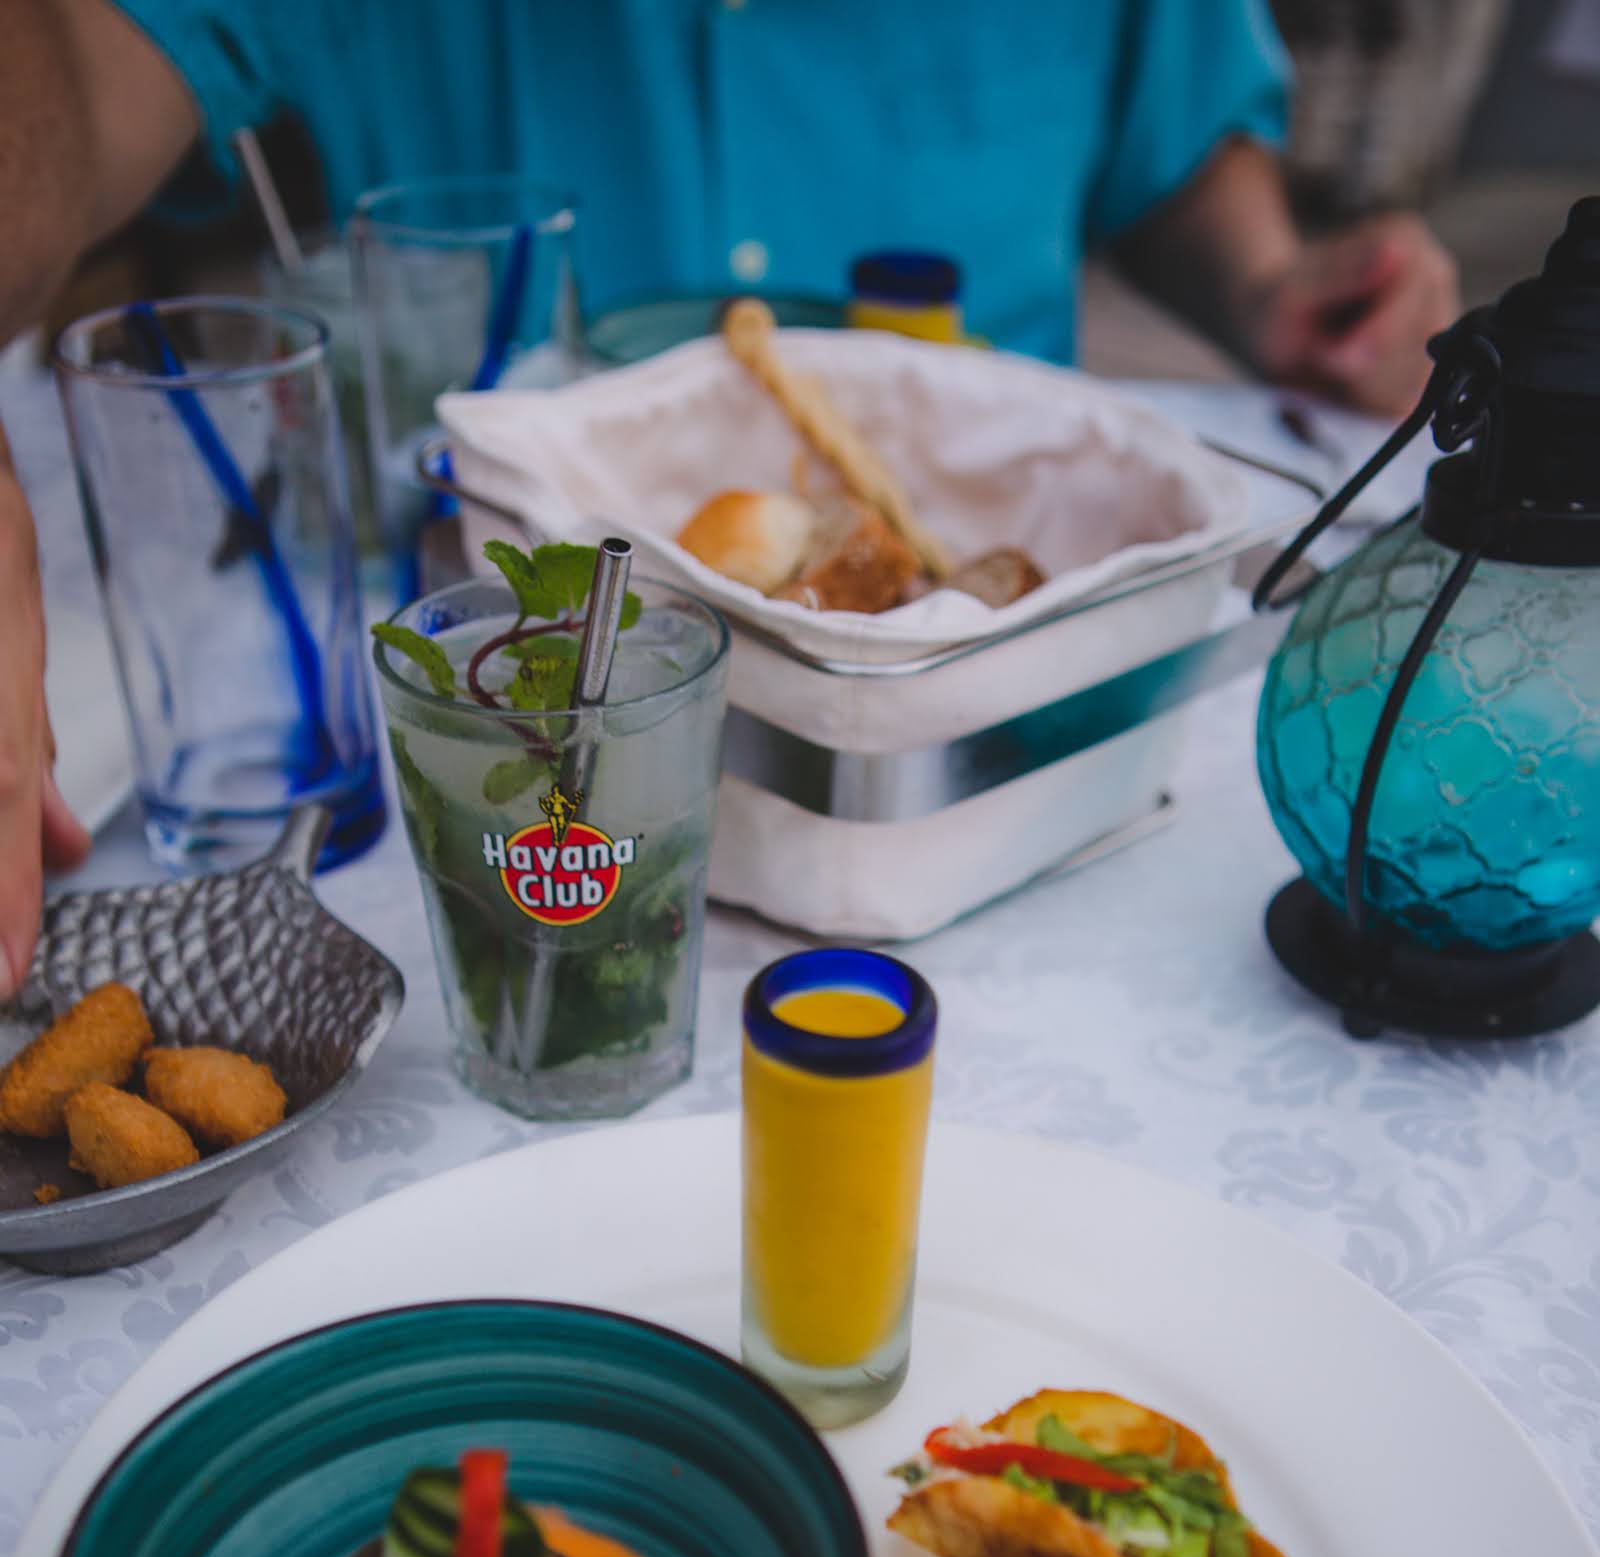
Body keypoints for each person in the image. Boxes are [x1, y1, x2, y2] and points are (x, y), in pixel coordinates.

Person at [0, 0, 1460, 999]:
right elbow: (61, 55)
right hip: (492, 728)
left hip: (1057, 782)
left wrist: (1273, 285)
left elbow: (1178, 136)